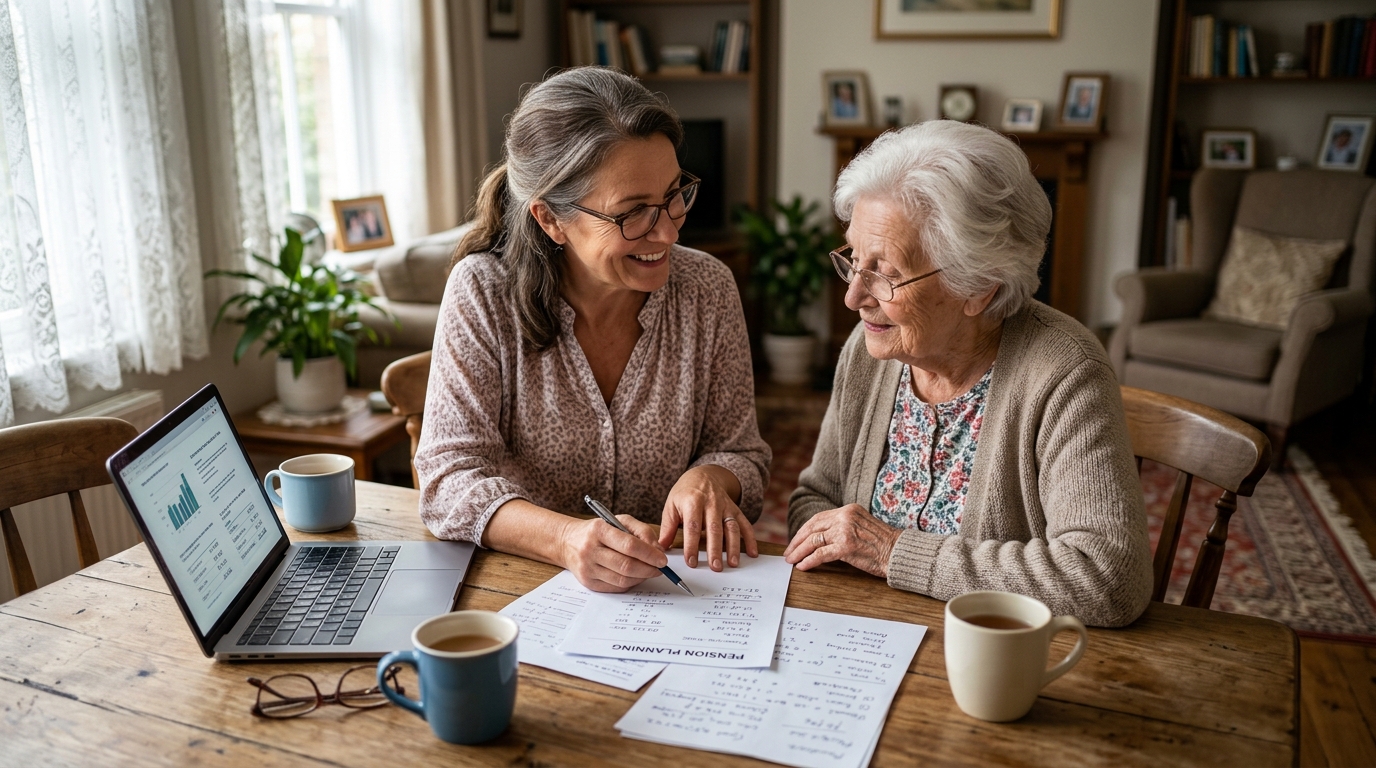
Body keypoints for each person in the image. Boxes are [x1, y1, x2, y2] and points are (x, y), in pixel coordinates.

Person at [783, 120, 1152, 627]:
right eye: (853, 259)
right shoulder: (869, 351)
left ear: (980, 286)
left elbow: (1107, 578)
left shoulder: (1064, 372)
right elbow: (814, 500)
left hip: (996, 659)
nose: (853, 297)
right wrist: (842, 545)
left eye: (887, 272)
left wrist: (895, 554)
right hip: (866, 640)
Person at [415, 67, 770, 593]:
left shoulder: (708, 289)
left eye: (675, 194)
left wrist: (712, 478)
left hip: (672, 598)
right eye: (633, 214)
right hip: (518, 591)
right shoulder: (484, 292)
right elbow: (447, 480)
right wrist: (564, 540)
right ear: (550, 219)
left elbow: (743, 453)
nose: (668, 229)